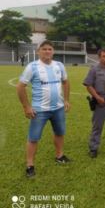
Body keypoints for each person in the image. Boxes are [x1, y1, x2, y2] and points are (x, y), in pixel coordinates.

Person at [16, 40, 71, 177]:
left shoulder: (59, 65)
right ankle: (30, 165)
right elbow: (20, 86)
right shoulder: (32, 67)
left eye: (50, 49)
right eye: (44, 49)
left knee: (59, 133)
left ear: (53, 51)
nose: (47, 51)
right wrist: (26, 107)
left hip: (58, 108)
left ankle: (59, 156)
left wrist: (66, 100)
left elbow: (65, 82)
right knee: (33, 138)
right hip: (40, 110)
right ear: (38, 51)